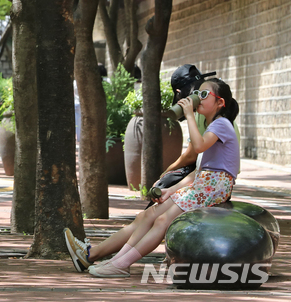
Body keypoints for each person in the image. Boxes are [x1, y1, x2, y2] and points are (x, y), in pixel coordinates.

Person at [64, 78, 240, 277]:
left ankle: (120, 263)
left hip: (212, 189)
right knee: (149, 215)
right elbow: (199, 173)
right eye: (198, 93)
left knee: (162, 220)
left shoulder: (222, 124)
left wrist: (189, 114)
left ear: (220, 103)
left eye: (204, 95)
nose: (198, 98)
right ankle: (116, 261)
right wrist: (169, 190)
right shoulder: (213, 127)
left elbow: (198, 149)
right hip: (203, 185)